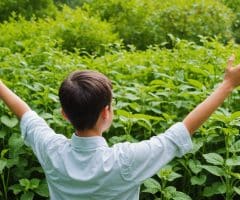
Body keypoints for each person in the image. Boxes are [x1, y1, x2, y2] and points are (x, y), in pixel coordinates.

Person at [0, 55, 240, 200]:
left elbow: (24, 112)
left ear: (64, 114)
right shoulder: (125, 160)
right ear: (107, 112)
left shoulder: (51, 149)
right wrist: (227, 85)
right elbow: (180, 133)